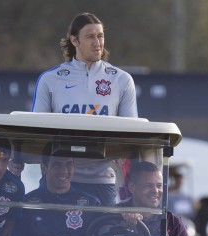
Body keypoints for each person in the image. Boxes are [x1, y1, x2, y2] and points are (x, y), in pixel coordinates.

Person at [31, 12, 138, 205]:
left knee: (102, 234)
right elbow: (37, 134)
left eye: (100, 36)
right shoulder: (50, 79)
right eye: (90, 37)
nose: (97, 42)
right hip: (59, 178)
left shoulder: (122, 80)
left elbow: (130, 137)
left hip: (102, 180)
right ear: (74, 40)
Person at [13, 143, 101, 236]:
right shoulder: (27, 203)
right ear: (44, 168)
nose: (64, 171)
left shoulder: (91, 204)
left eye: (69, 164)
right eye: (57, 164)